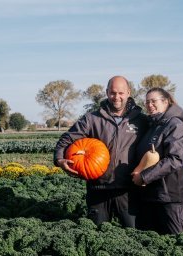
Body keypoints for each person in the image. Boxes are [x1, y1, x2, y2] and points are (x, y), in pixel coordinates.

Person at [54, 75, 148, 228]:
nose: (116, 97)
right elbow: (66, 139)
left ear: (128, 93)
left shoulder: (142, 121)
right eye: (112, 92)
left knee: (134, 234)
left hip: (129, 191)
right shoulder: (92, 119)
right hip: (98, 189)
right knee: (96, 232)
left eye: (121, 93)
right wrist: (59, 160)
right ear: (106, 93)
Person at [131, 87, 183, 234]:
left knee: (175, 241)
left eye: (153, 101)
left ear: (165, 102)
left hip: (170, 196)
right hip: (151, 195)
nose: (149, 105)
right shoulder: (153, 126)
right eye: (147, 102)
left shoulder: (176, 125)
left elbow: (175, 159)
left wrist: (144, 177)